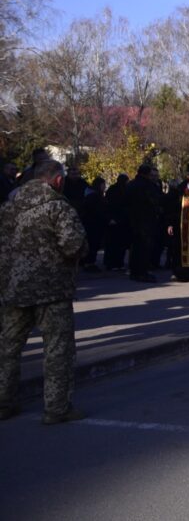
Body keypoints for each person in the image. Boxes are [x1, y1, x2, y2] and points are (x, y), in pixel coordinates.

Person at [0, 160, 89, 423]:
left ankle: (4, 402)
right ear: (58, 181)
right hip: (51, 291)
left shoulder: (7, 208)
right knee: (57, 349)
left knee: (7, 348)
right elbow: (74, 245)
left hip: (13, 290)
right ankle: (56, 407)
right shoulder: (57, 208)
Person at [126, 164, 164, 283]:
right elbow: (155, 200)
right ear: (147, 174)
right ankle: (143, 272)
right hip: (146, 220)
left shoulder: (130, 185)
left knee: (135, 247)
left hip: (133, 220)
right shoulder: (148, 186)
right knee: (145, 248)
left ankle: (134, 271)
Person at [79, 177, 108, 272]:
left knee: (94, 244)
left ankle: (89, 262)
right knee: (92, 244)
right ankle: (89, 263)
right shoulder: (94, 196)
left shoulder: (95, 195)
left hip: (94, 224)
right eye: (103, 185)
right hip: (93, 224)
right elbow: (94, 211)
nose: (104, 187)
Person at [103, 173, 131, 270]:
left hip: (120, 221)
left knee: (119, 244)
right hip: (115, 220)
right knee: (114, 244)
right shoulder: (115, 190)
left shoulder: (118, 190)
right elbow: (109, 206)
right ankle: (112, 263)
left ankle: (118, 263)